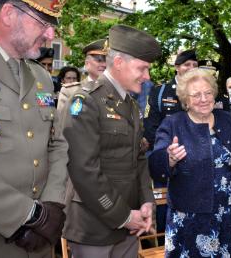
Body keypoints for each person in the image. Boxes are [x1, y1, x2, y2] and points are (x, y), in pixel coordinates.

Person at [0, 0, 68, 257]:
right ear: (9, 13)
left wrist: (52, 205)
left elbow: (56, 143)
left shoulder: (41, 77)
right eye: (44, 23)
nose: (51, 35)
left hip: (40, 241)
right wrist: (27, 215)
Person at [61, 24, 160, 258]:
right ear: (118, 63)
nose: (147, 77)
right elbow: (83, 170)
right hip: (94, 227)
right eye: (142, 68)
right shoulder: (85, 100)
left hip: (129, 225)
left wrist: (146, 202)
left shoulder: (131, 105)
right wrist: (123, 216)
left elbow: (138, 159)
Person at [149, 68, 231, 257]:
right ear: (185, 100)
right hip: (189, 218)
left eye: (208, 93)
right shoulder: (173, 124)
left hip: (226, 213)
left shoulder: (227, 120)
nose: (204, 99)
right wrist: (169, 158)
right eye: (196, 94)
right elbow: (155, 164)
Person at [144, 49, 198, 151]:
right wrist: (165, 151)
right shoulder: (159, 92)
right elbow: (150, 127)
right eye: (187, 65)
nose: (192, 68)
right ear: (177, 67)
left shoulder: (203, 93)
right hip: (166, 151)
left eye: (195, 65)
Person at [56, 38, 106, 113]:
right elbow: (62, 122)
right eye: (99, 60)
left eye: (107, 61)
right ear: (87, 63)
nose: (104, 65)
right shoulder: (69, 91)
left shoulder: (115, 90)